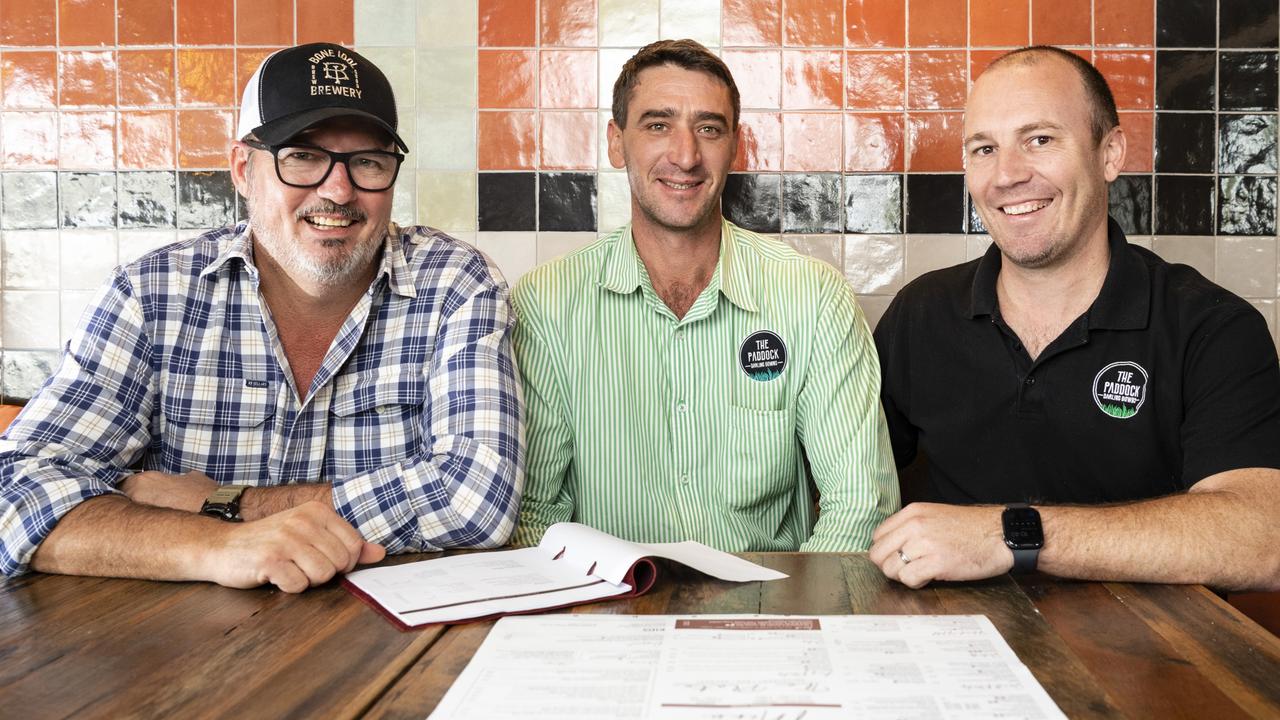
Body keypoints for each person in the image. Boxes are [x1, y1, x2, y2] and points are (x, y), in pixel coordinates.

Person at [0, 43, 524, 592]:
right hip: (178, 651)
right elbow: (16, 490)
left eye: (368, 161)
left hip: (393, 645)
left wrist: (224, 504)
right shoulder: (151, 293)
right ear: (242, 169)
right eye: (301, 155)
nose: (338, 190)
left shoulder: (455, 283)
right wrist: (218, 547)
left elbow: (478, 498)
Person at [870, 45, 1280, 591]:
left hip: (1151, 663)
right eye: (984, 148)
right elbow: (849, 483)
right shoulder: (920, 314)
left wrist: (1011, 536)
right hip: (954, 651)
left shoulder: (1212, 327)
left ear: (1110, 154)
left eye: (1039, 139)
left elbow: (1262, 539)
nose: (1007, 175)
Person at [510, 39, 898, 552]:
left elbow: (860, 503)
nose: (685, 155)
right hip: (610, 611)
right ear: (615, 141)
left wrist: (786, 619)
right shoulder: (547, 303)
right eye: (657, 125)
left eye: (708, 129)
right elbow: (535, 516)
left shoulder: (813, 296)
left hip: (772, 610)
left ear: (735, 145)